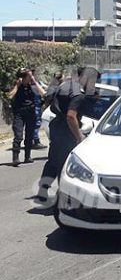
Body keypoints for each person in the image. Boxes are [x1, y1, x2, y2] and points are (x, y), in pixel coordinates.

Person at [36, 67, 99, 202]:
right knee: (66, 164)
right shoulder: (78, 94)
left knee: (53, 160)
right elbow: (71, 116)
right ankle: (63, 198)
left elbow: (48, 98)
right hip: (67, 129)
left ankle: (43, 189)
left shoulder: (65, 85)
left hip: (56, 126)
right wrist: (78, 137)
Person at [7, 68, 45, 166]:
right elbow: (10, 96)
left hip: (31, 113)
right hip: (19, 113)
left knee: (29, 135)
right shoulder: (17, 85)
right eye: (29, 76)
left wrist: (34, 81)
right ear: (23, 77)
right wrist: (17, 85)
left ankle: (27, 156)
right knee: (18, 136)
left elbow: (43, 93)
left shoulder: (32, 86)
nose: (31, 77)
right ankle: (15, 158)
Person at [29, 67, 46, 149]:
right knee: (36, 123)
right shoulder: (28, 85)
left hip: (38, 105)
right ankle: (35, 141)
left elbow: (44, 89)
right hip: (33, 107)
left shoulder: (37, 83)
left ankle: (33, 141)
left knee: (37, 123)